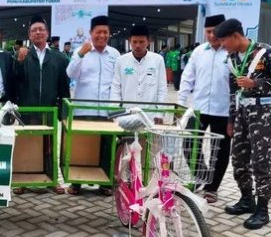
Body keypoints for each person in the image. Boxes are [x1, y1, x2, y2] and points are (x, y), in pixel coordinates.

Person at [215, 18, 271, 230]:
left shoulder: (264, 53)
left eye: (224, 40)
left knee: (261, 161)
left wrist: (256, 83)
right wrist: (231, 119)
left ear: (236, 36)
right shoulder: (232, 59)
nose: (222, 45)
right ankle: (247, 199)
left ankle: (263, 209)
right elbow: (233, 92)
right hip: (242, 113)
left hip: (263, 113)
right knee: (238, 159)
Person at [13, 15, 70, 195]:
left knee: (49, 145)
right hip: (27, 108)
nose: (38, 32)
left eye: (41, 29)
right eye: (34, 30)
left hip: (49, 110)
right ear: (29, 35)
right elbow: (14, 80)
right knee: (27, 144)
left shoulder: (59, 58)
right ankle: (23, 179)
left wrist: (63, 110)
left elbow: (64, 87)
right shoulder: (22, 55)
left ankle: (52, 179)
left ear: (47, 33)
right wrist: (19, 63)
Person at [178, 14, 231, 203]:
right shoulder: (199, 52)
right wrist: (181, 102)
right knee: (189, 144)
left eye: (215, 31)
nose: (212, 35)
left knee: (220, 150)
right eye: (208, 31)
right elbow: (187, 77)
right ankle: (202, 175)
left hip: (224, 111)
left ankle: (212, 187)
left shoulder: (230, 53)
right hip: (198, 108)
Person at [66, 15, 121, 195]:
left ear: (109, 34)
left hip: (107, 110)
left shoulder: (114, 55)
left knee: (106, 146)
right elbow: (70, 74)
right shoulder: (81, 52)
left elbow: (118, 81)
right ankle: (76, 183)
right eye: (98, 32)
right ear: (91, 33)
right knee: (81, 146)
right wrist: (81, 54)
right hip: (83, 108)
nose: (102, 35)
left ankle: (104, 184)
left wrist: (116, 107)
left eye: (105, 32)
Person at [110, 24, 167, 123]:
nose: (138, 45)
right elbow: (116, 87)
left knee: (148, 139)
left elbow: (162, 89)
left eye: (141, 42)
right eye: (134, 42)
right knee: (126, 138)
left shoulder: (157, 60)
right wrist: (114, 110)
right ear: (130, 41)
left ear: (148, 41)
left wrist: (160, 113)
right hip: (126, 115)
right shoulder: (121, 61)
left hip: (150, 116)